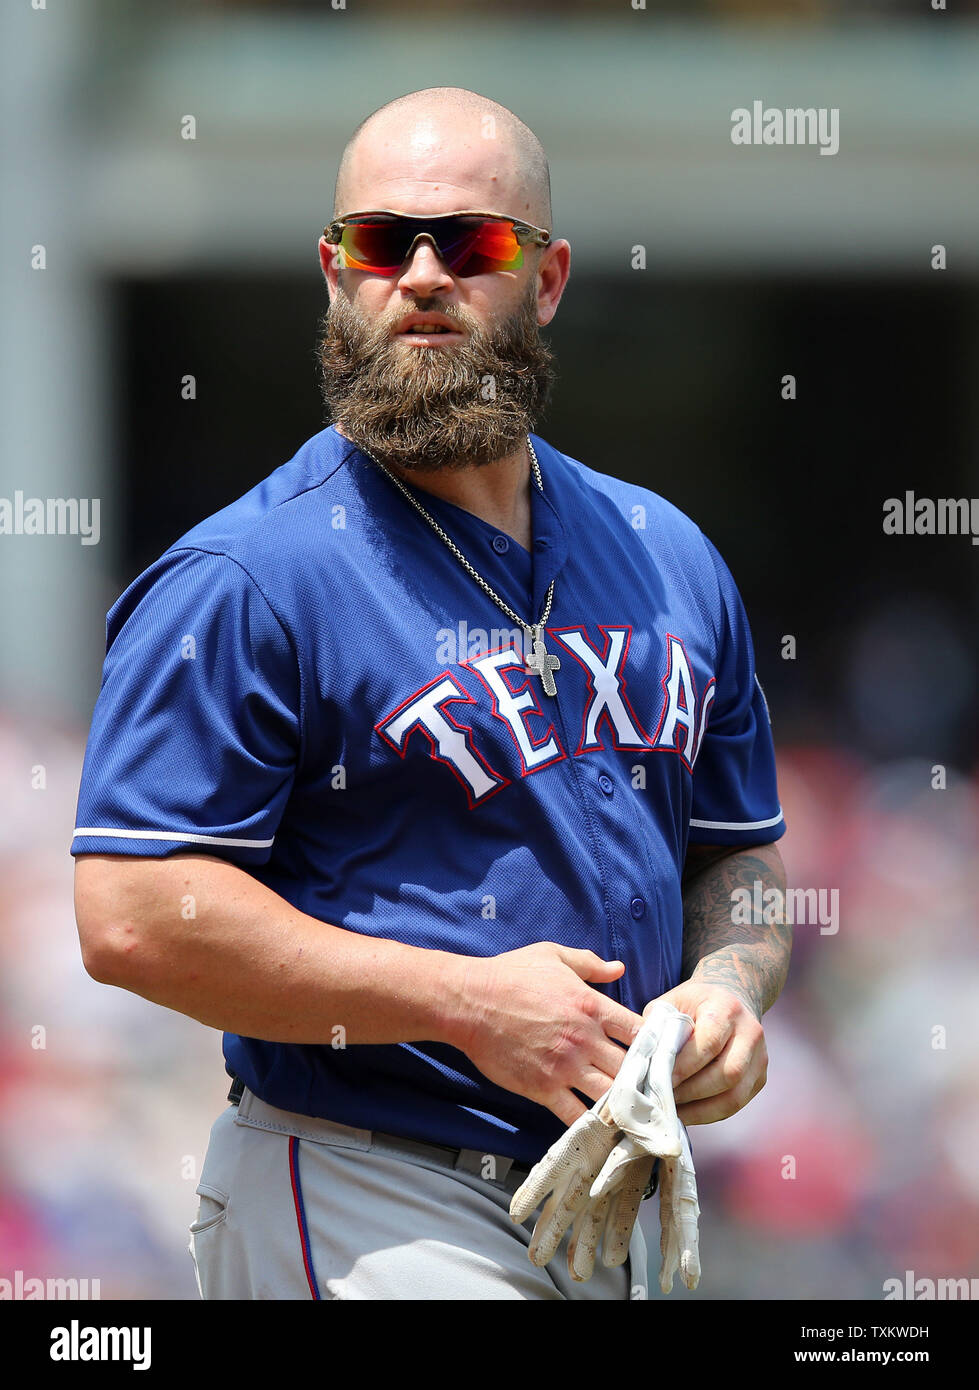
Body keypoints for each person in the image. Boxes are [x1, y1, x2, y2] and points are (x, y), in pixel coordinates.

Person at [72, 86, 790, 1301]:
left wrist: (729, 987)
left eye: (470, 243)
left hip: (612, 1192)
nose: (417, 274)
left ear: (548, 278)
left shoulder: (663, 551)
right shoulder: (250, 574)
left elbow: (739, 860)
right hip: (371, 1186)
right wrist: (462, 1002)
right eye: (377, 242)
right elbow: (134, 914)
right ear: (332, 271)